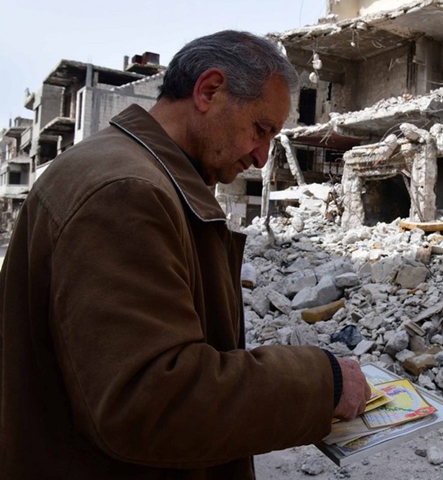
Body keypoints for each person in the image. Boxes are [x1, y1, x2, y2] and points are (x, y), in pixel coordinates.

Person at [0, 30, 371, 479]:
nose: (261, 157)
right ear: (209, 91)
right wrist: (320, 383)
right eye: (261, 129)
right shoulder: (126, 193)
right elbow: (152, 401)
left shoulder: (132, 174)